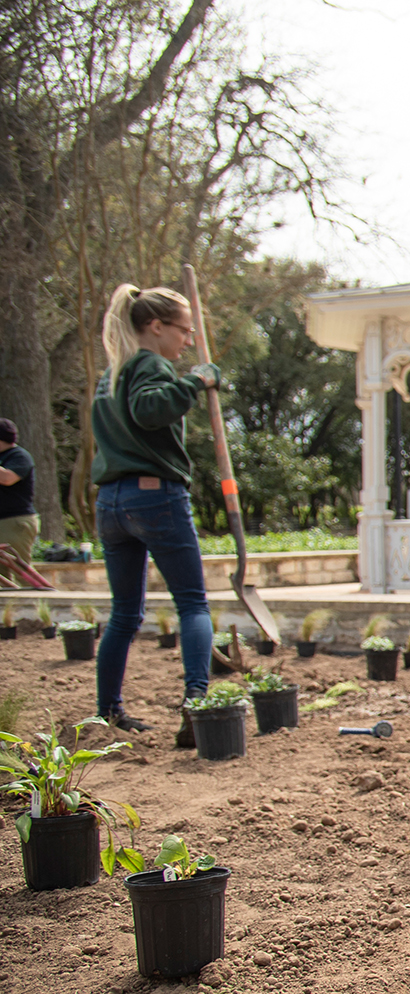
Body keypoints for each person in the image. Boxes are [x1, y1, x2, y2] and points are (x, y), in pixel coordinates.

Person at [90, 284, 220, 737]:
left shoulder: (111, 374)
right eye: (183, 330)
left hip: (110, 502)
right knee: (193, 604)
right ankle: (197, 706)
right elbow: (149, 410)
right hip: (154, 497)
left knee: (124, 612)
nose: (188, 340)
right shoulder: (149, 365)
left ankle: (108, 711)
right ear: (155, 326)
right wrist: (196, 381)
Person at [0, 418, 35, 567]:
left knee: (19, 570)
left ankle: (33, 591)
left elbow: (8, 478)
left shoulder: (19, 456)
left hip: (15, 521)